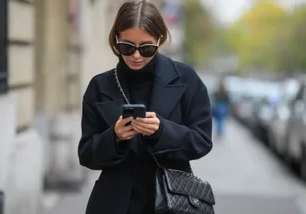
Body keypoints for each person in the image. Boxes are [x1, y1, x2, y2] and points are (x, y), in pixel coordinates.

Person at [78, 1, 213, 214]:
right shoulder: (100, 86)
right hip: (115, 202)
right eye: (127, 47)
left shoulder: (186, 79)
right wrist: (114, 137)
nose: (136, 56)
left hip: (173, 201)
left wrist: (161, 131)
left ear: (160, 40)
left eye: (146, 48)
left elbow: (202, 141)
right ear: (116, 39)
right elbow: (86, 154)